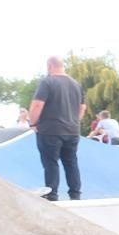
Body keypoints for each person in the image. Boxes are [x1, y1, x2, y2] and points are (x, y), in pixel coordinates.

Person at [28, 56, 85, 201]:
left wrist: (33, 123)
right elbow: (82, 107)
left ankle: (52, 194)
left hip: (50, 130)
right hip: (72, 130)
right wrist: (73, 121)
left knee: (51, 162)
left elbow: (37, 105)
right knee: (71, 161)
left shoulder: (47, 82)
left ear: (49, 66)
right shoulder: (76, 84)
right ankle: (75, 194)